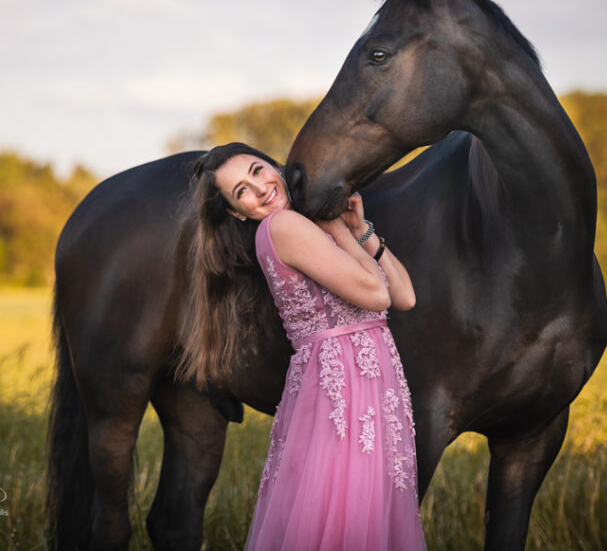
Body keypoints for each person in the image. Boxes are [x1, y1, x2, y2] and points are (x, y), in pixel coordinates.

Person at [177, 142, 426, 551]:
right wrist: (339, 229)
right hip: (343, 388)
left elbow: (405, 296)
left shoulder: (301, 225)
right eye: (241, 191)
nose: (258, 188)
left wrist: (360, 229)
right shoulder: (282, 228)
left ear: (274, 165)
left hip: (367, 384)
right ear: (237, 212)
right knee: (341, 521)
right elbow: (377, 294)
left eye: (258, 171)